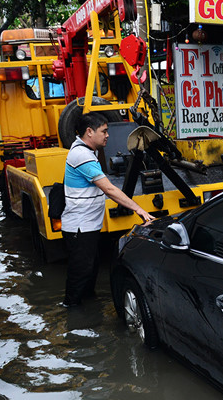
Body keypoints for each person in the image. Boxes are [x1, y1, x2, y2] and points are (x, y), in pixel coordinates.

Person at [61, 112, 154, 308]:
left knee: (90, 270)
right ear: (89, 132)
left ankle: (88, 310)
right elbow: (109, 189)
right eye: (104, 131)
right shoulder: (82, 155)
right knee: (81, 273)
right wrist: (139, 209)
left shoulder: (87, 150)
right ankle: (72, 312)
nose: (108, 135)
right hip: (80, 227)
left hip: (87, 226)